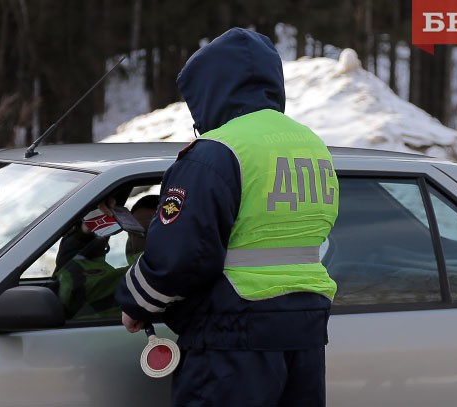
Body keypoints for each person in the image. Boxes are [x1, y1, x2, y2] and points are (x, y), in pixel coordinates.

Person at [115, 27, 339, 406]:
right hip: (305, 331)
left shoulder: (216, 152)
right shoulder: (312, 146)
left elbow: (180, 256)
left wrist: (135, 303)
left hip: (233, 337)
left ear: (211, 89)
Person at [55, 195, 158, 319]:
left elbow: (71, 281)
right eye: (134, 231)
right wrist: (84, 236)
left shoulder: (144, 280)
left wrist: (81, 237)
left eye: (146, 233)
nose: (136, 238)